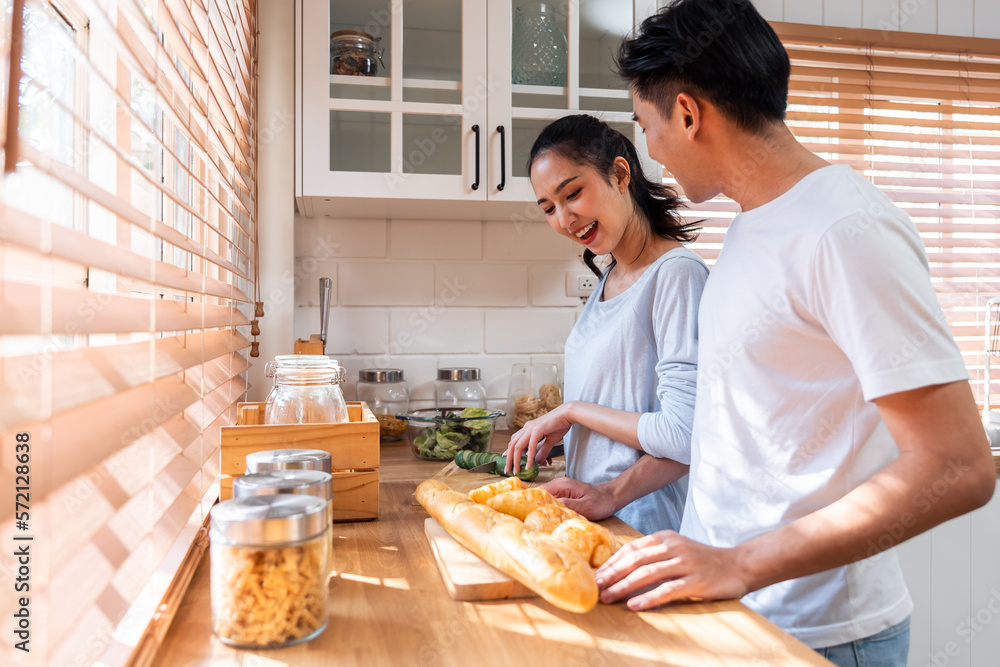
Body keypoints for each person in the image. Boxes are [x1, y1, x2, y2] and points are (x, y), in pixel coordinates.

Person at [590, 1, 997, 666]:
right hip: (732, 612)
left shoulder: (846, 229)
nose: (649, 148)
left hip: (822, 633)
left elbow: (959, 466)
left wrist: (740, 562)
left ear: (688, 114)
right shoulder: (752, 222)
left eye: (646, 125)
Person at [502, 114, 708, 536]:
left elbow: (683, 435)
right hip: (594, 518)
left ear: (619, 174)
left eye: (572, 193)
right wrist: (563, 437)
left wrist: (571, 411)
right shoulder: (609, 278)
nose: (564, 219)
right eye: (548, 209)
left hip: (642, 528)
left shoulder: (676, 275)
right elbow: (625, 408)